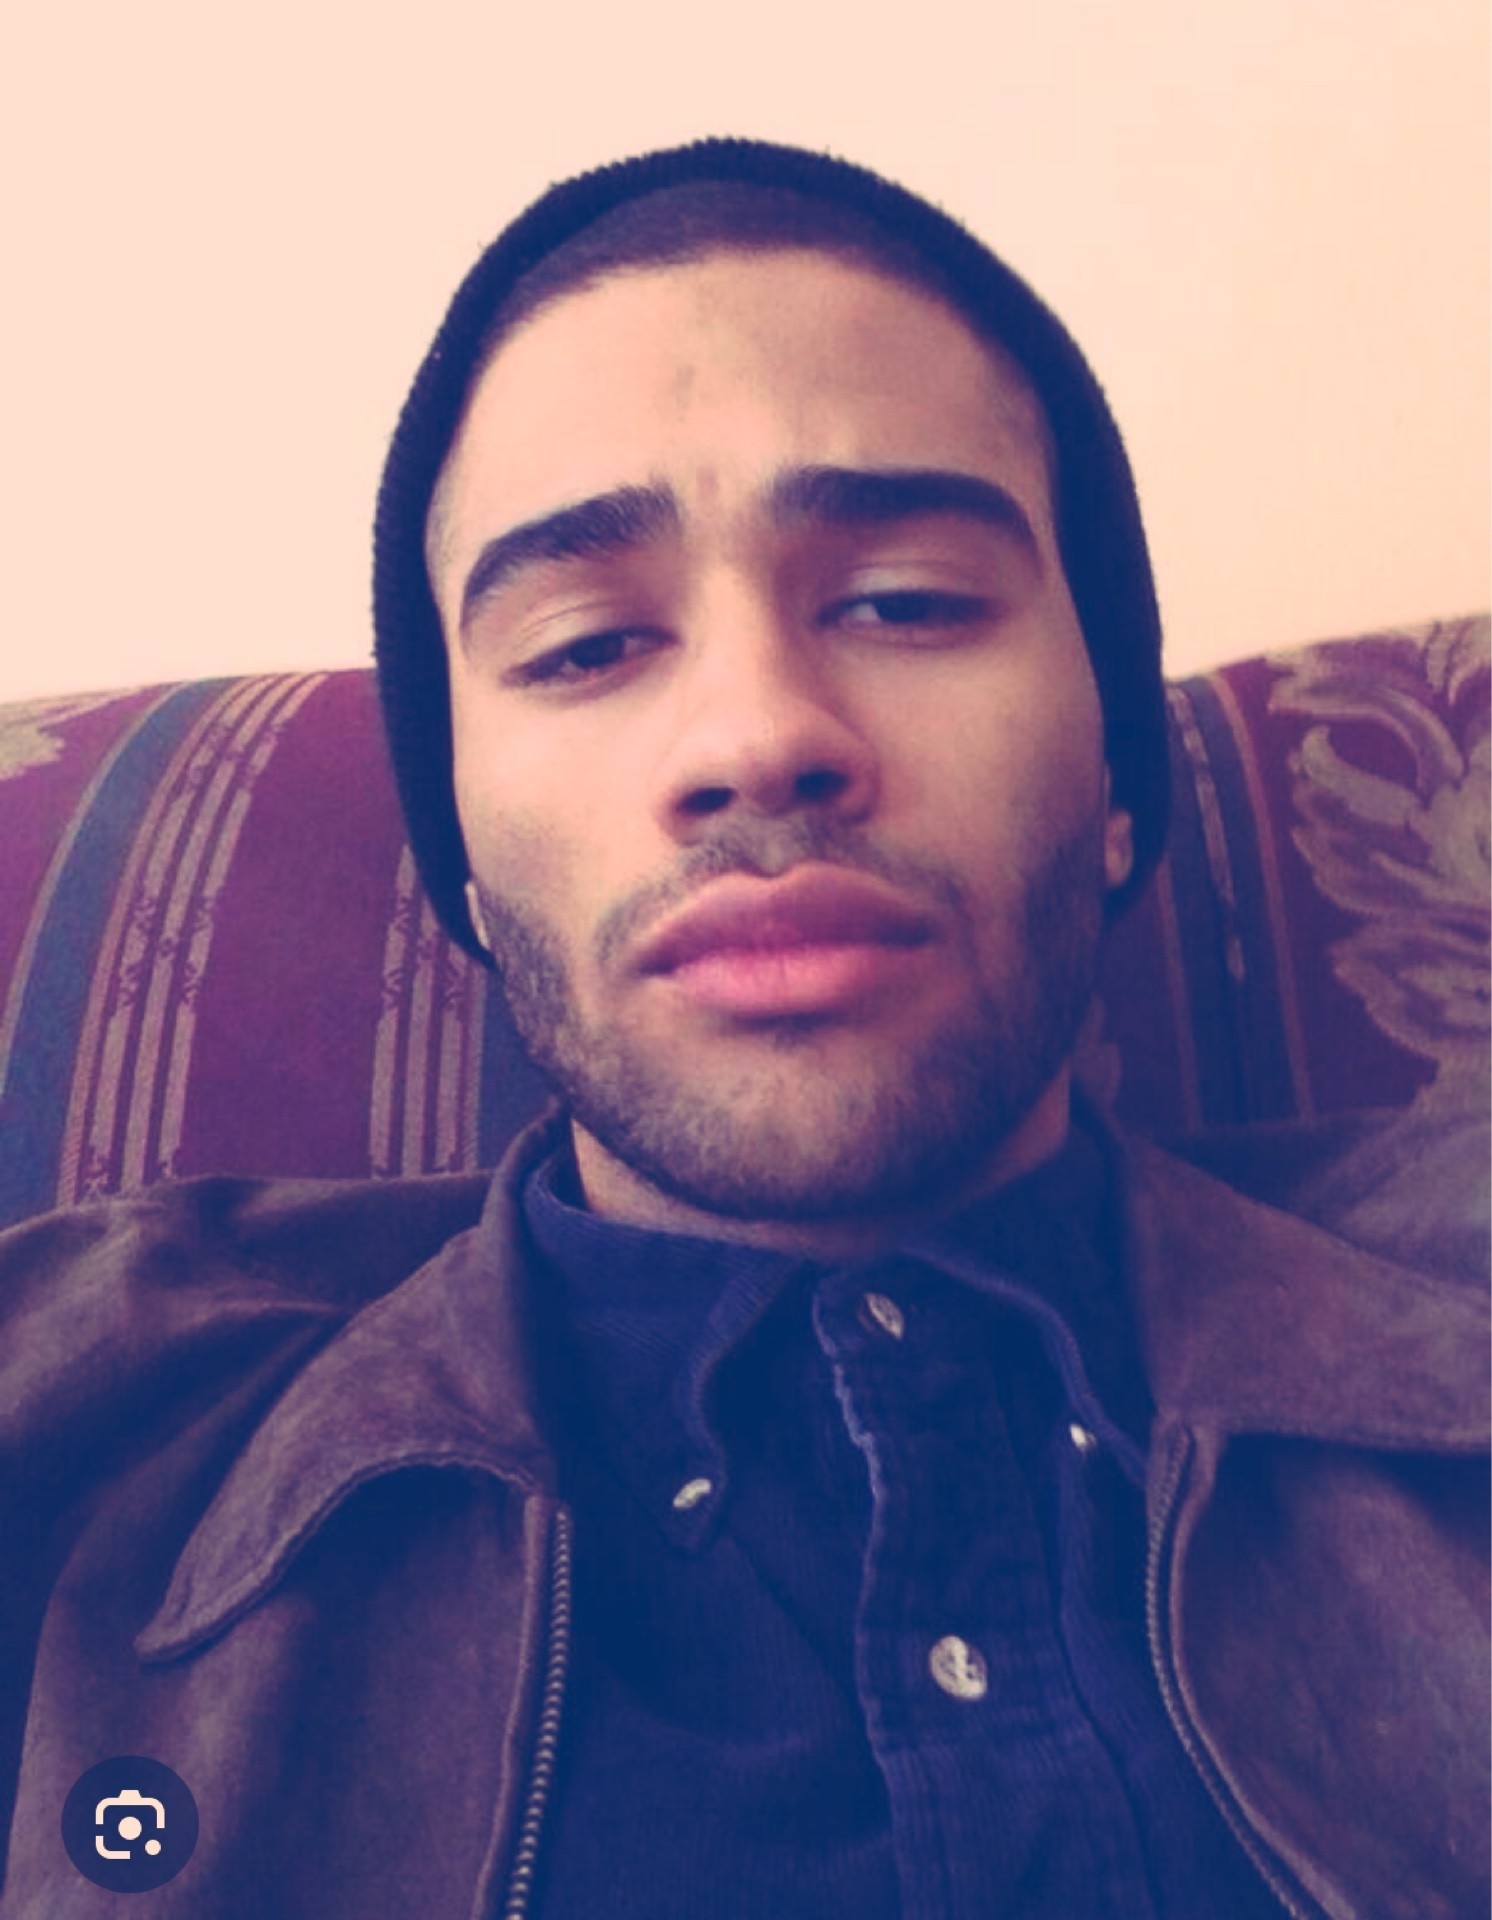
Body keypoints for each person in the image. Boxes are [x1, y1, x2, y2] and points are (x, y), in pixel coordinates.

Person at [0, 138, 1484, 1920]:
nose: (756, 736)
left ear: (1114, 782)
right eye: (583, 645)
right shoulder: (87, 1414)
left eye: (907, 602)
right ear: (464, 864)